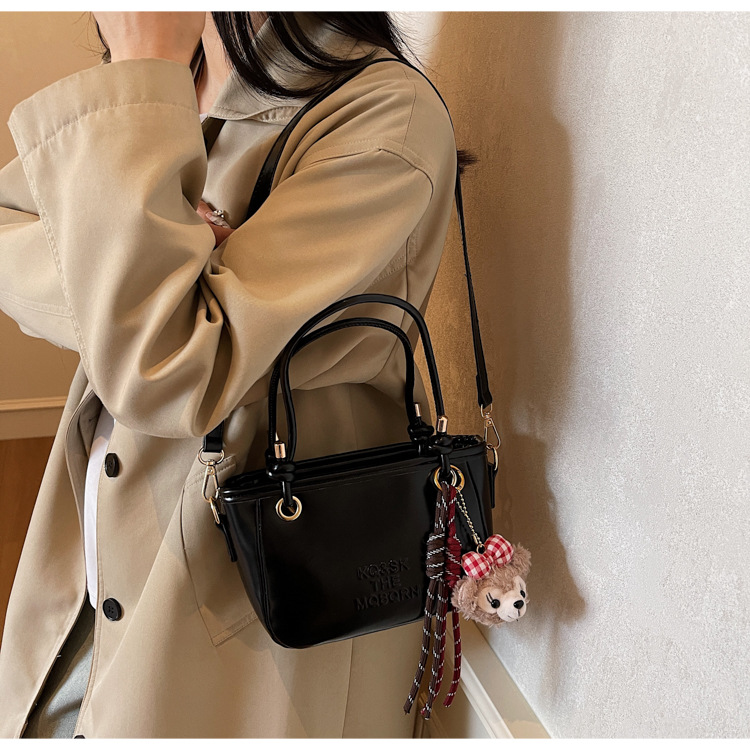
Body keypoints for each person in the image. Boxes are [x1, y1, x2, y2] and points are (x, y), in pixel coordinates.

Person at [0, 11, 463, 738]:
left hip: (241, 601)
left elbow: (166, 366)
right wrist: (161, 277)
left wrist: (145, 74)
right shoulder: (179, 79)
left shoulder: (380, 115)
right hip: (98, 557)